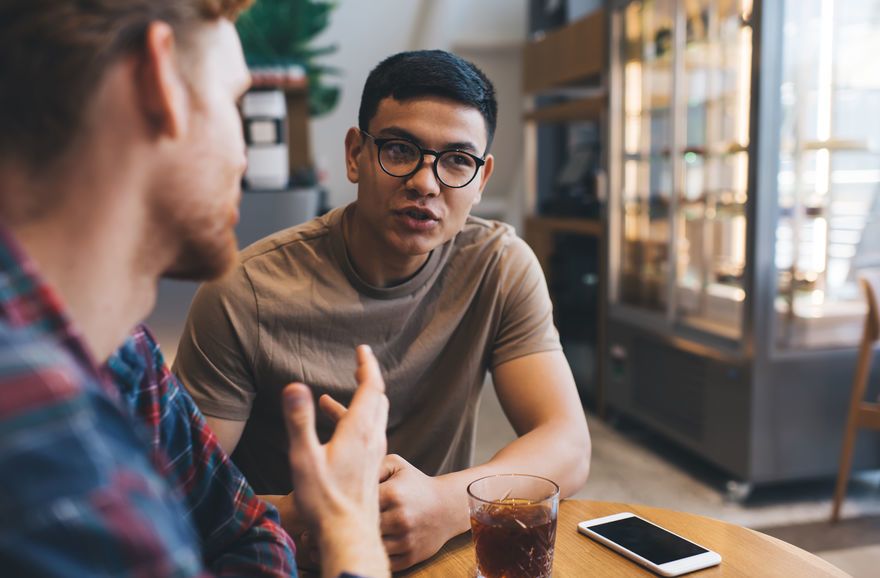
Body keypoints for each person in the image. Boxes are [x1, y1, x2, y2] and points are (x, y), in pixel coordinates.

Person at [0, 1, 390, 577]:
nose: (245, 155)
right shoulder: (46, 443)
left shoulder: (124, 353)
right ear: (158, 81)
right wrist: (348, 526)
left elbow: (245, 530)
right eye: (236, 102)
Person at [174, 49, 592, 570]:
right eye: (399, 149)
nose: (425, 182)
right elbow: (177, 494)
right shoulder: (245, 291)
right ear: (355, 155)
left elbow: (567, 444)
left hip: (432, 554)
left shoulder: (498, 266)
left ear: (481, 180)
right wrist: (308, 515)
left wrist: (444, 504)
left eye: (457, 160)